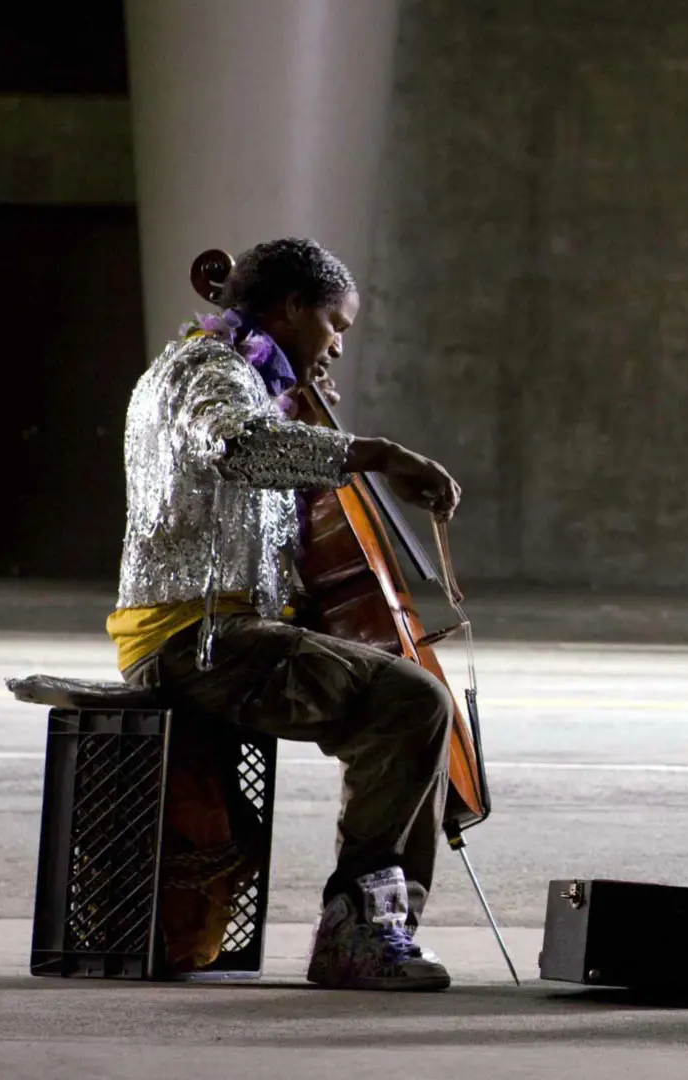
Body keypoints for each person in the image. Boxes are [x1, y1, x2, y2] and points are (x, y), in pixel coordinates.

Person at [107, 237, 463, 991]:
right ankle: (359, 933)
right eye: (334, 323)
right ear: (291, 307)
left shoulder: (243, 375)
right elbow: (240, 446)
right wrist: (380, 453)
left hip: (227, 630)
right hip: (198, 640)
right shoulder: (207, 370)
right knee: (411, 700)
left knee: (404, 699)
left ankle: (376, 923)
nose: (337, 342)